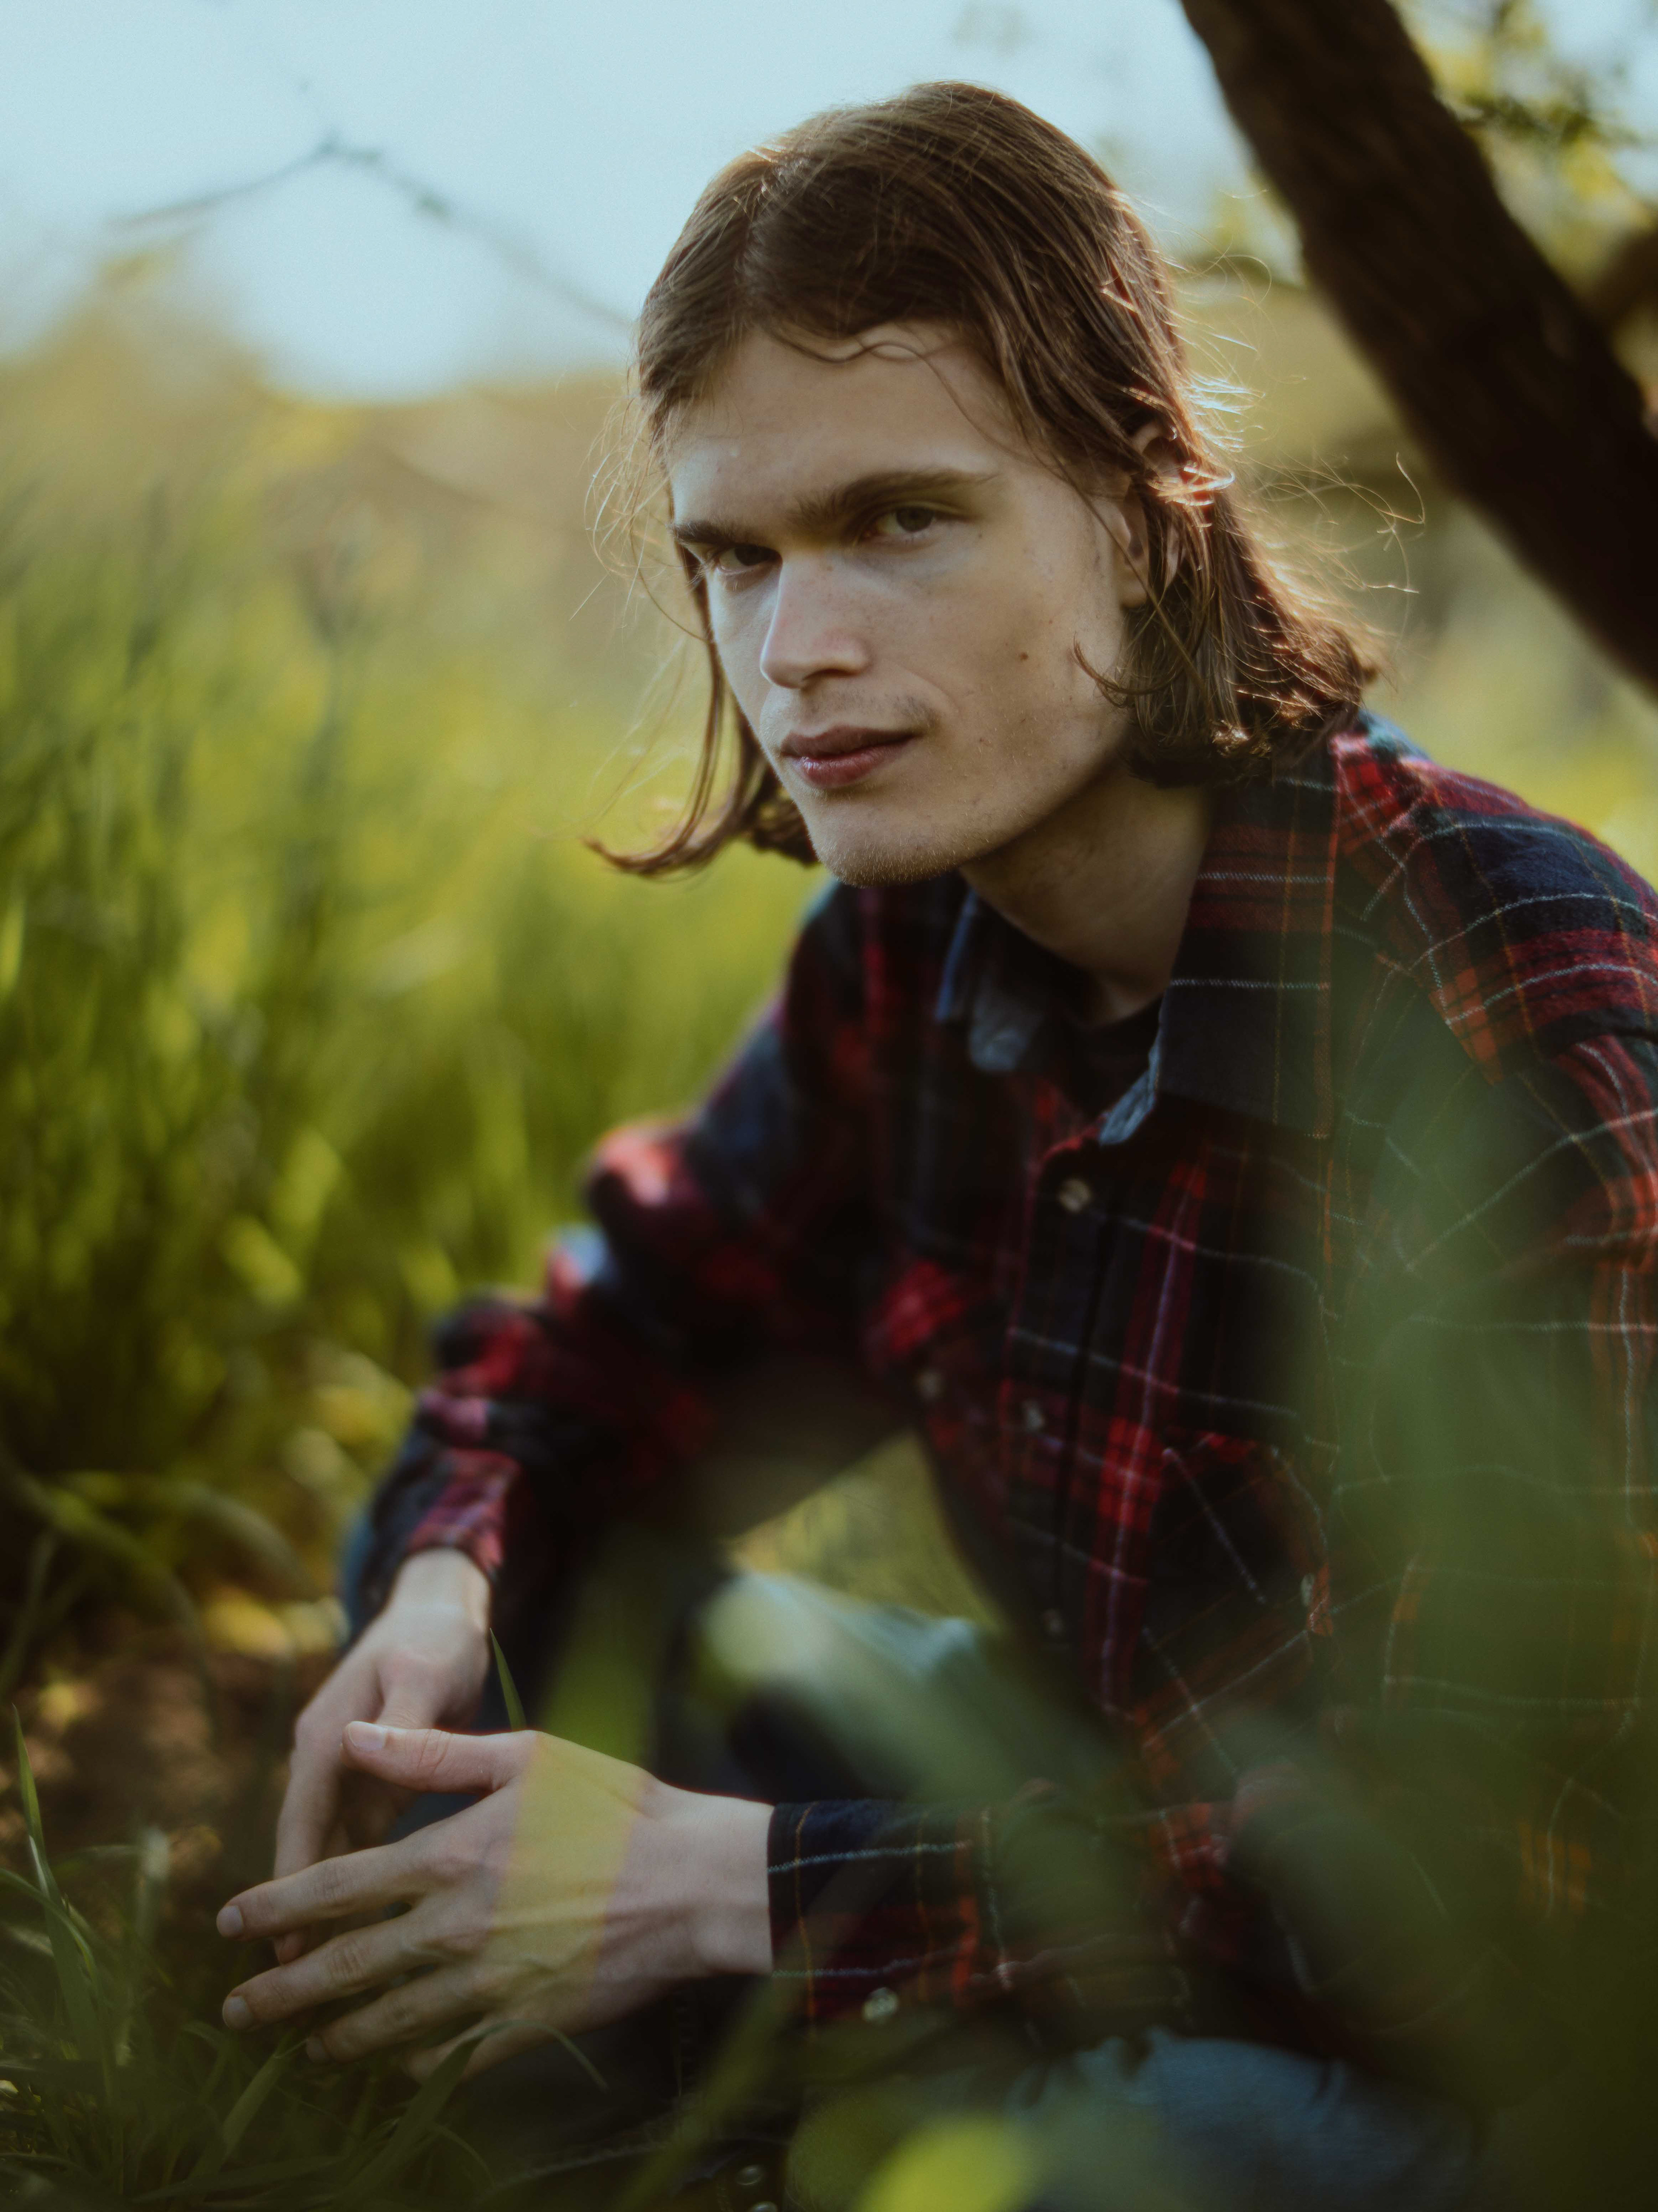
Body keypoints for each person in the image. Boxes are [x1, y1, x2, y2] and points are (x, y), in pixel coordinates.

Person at [213, 82, 1658, 2211]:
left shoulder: (1508, 998)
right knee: (497, 1623)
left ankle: (799, 2108)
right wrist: (445, 1576)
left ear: (1153, 514)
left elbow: (1507, 1866)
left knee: (1117, 2160)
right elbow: (610, 1338)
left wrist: (752, 1890)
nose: (797, 651)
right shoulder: (908, 950)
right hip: (1078, 1812)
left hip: (1482, 2022)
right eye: (737, 555)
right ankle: (731, 2098)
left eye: (901, 518)